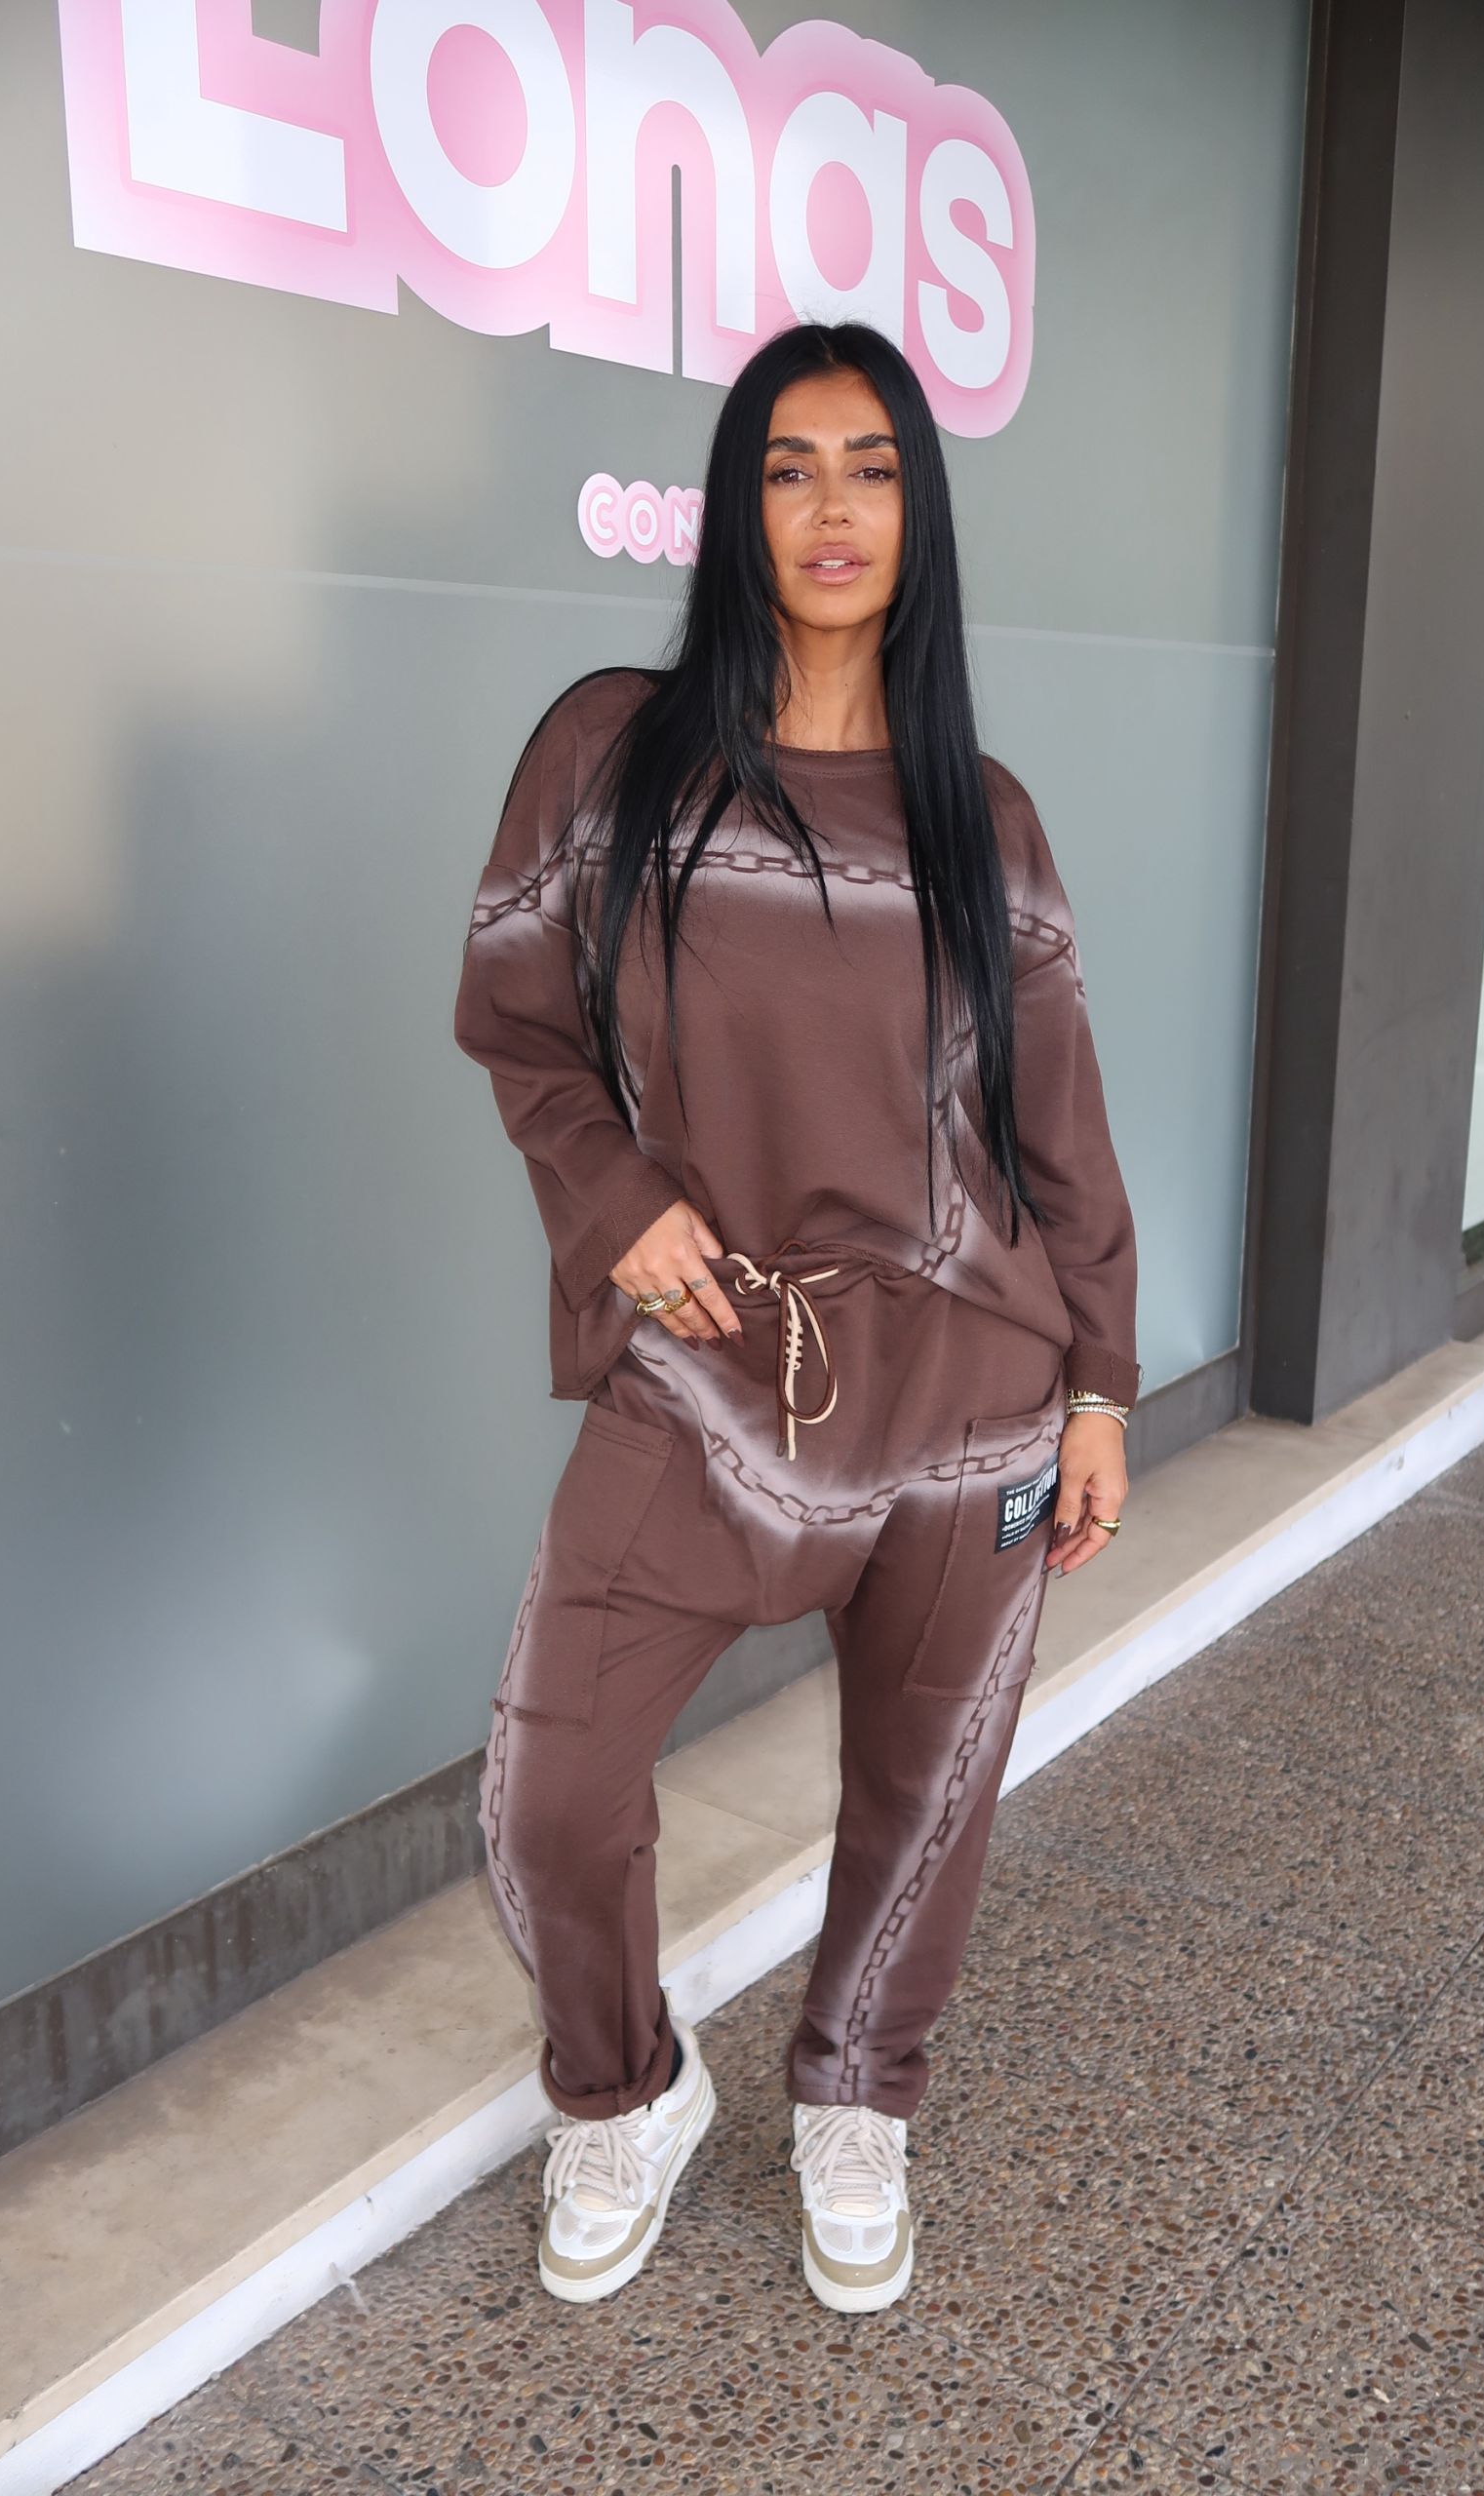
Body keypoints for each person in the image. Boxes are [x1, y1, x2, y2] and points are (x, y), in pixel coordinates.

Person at [453, 318, 1139, 2316]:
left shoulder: (981, 818)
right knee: (545, 1792)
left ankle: (858, 2092)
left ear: (919, 512)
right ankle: (622, 2090)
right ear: (735, 505)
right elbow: (518, 1023)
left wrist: (1101, 1381)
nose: (832, 507)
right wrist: (618, 1204)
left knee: (925, 1794)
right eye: (787, 466)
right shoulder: (614, 754)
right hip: (708, 1380)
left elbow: (1056, 1127)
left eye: (873, 467)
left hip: (971, 1395)